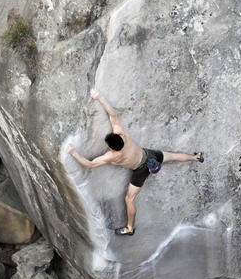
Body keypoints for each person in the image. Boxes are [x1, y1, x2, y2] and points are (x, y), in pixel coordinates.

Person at [65, 88, 204, 236]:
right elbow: (112, 114)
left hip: (140, 171)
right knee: (173, 156)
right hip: (149, 155)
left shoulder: (112, 156)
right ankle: (196, 157)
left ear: (112, 148)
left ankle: (130, 228)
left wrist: (73, 152)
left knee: (129, 199)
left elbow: (89, 164)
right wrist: (99, 97)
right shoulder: (122, 135)